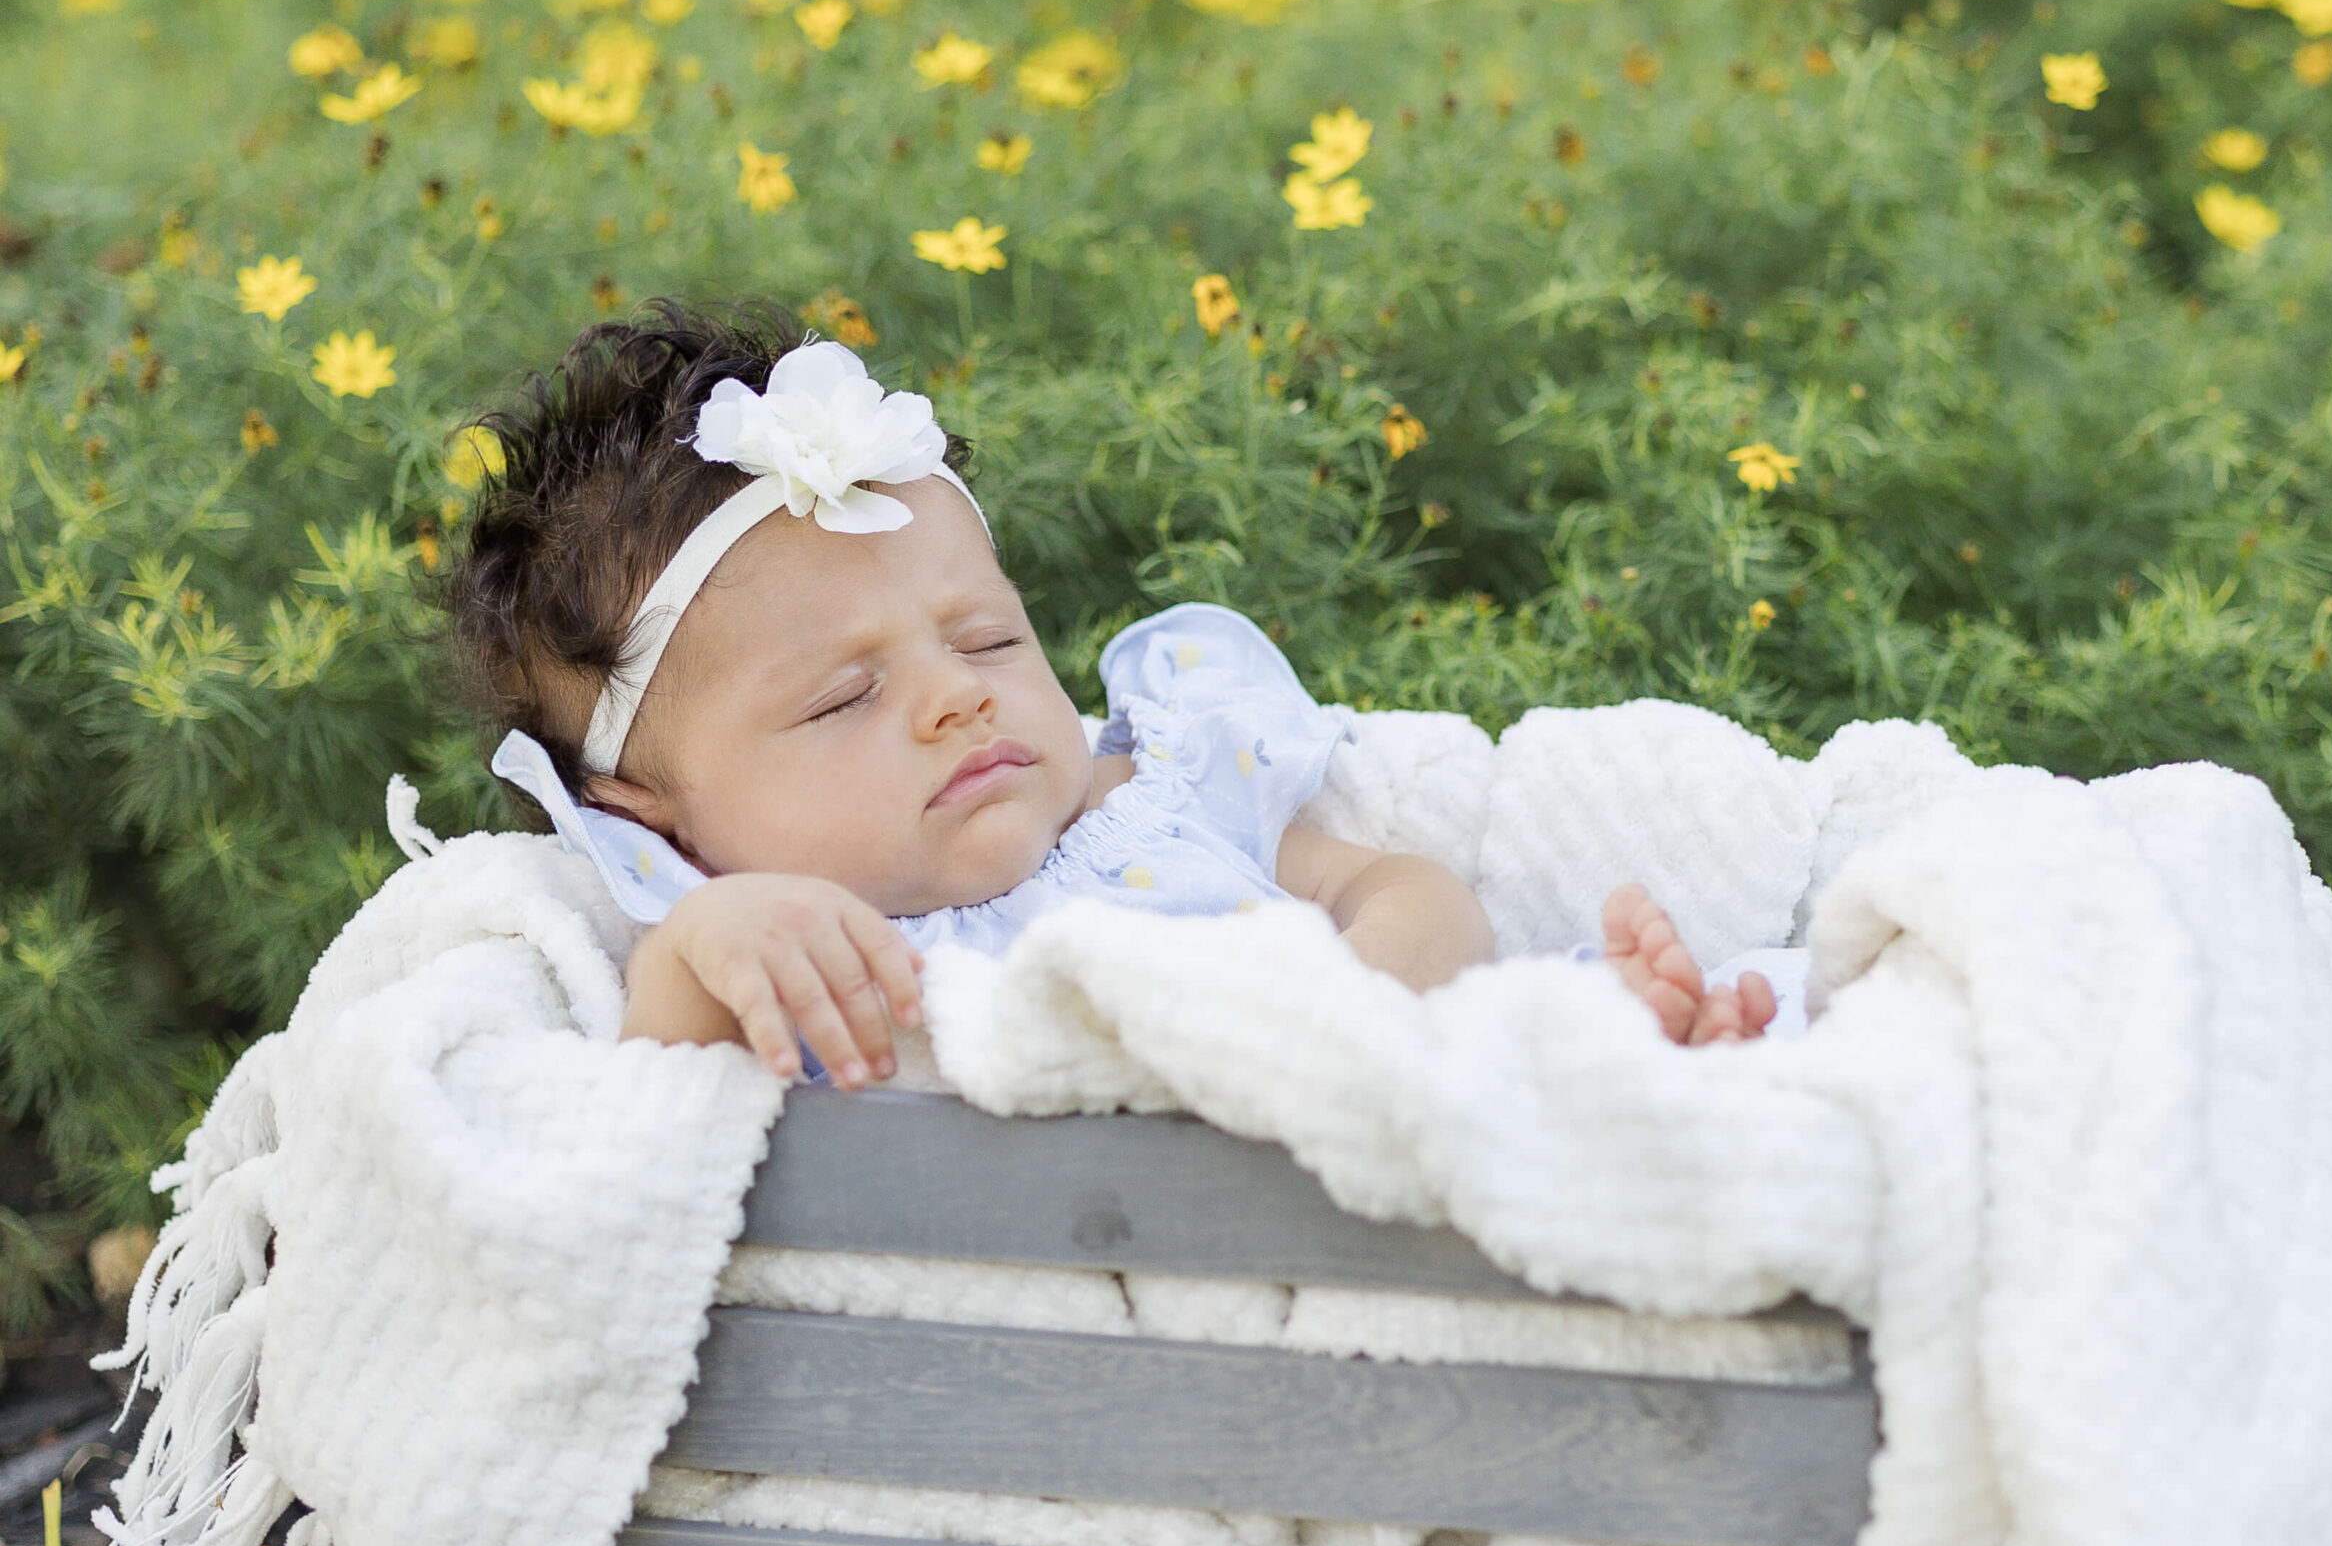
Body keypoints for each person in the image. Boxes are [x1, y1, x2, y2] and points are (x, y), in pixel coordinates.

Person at [442, 304, 1780, 1090]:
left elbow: (1404, 891)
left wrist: (1375, 1021)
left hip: (1364, 1117)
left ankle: (1623, 1057)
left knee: (1547, 1054)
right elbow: (650, 1111)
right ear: (659, 825)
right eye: (843, 698)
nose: (955, 704)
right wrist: (706, 941)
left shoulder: (1149, 802)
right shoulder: (763, 945)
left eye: (983, 640)